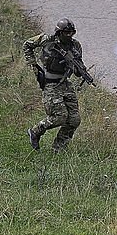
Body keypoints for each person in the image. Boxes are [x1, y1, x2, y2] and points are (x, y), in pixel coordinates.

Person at [22, 18, 92, 152]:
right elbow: (27, 44)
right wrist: (33, 64)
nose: (69, 35)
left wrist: (79, 69)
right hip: (50, 84)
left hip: (65, 84)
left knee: (74, 120)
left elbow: (79, 65)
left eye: (72, 32)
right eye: (66, 32)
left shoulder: (75, 46)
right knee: (59, 117)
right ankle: (35, 131)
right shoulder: (47, 40)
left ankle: (58, 149)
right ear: (59, 32)